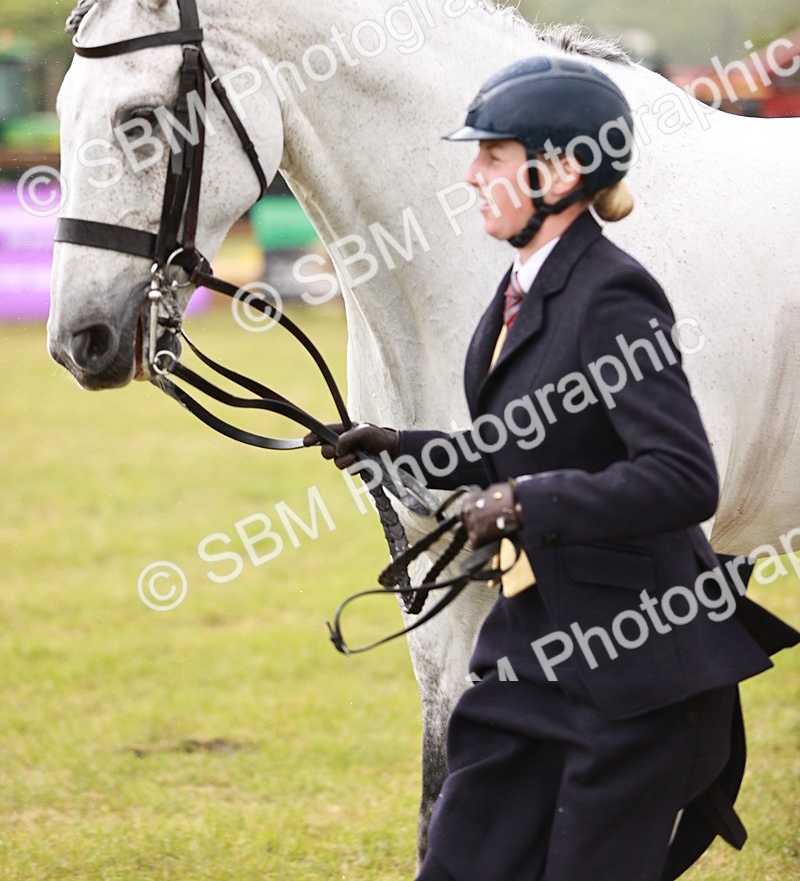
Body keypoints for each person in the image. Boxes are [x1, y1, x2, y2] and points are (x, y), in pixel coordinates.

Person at [305, 54, 798, 881]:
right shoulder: (519, 292)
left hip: (637, 677)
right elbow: (526, 444)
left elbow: (684, 479)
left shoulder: (614, 296)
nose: (469, 175)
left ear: (561, 170)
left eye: (493, 156)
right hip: (529, 653)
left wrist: (527, 501)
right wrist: (399, 444)